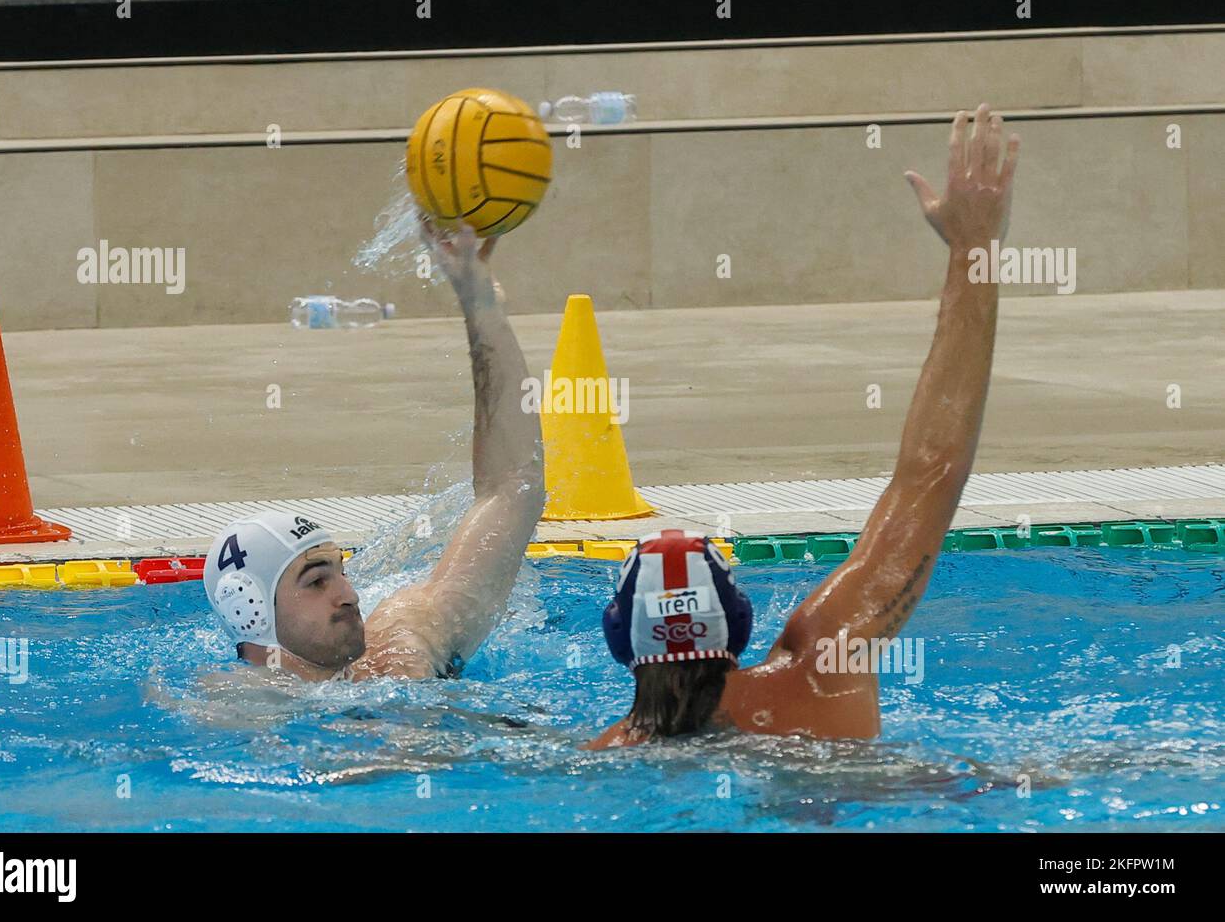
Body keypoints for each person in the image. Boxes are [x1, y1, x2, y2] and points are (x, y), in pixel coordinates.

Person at [587, 103, 1020, 747]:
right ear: (738, 621)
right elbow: (932, 470)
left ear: (619, 637)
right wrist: (973, 247)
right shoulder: (823, 667)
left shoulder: (601, 759)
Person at [201, 218, 544, 682]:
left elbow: (513, 485)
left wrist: (481, 306)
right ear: (250, 609)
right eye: (317, 581)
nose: (349, 595)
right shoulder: (234, 709)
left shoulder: (404, 644)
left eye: (340, 572)